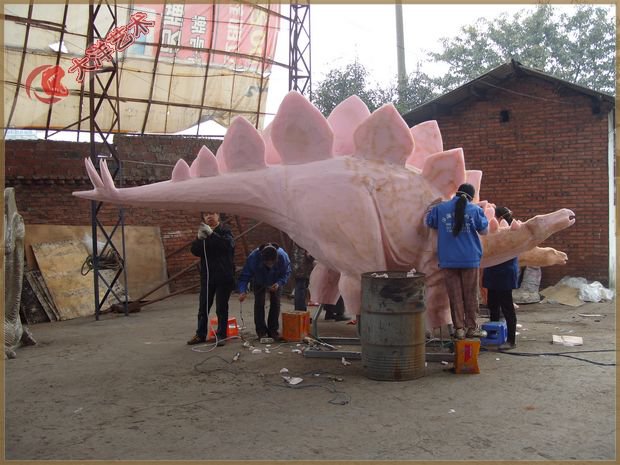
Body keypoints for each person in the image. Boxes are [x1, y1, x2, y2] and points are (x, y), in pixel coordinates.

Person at [426, 183, 489, 340]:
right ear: (471, 197)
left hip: (448, 259)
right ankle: (471, 328)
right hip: (470, 258)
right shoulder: (474, 210)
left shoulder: (441, 208)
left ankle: (459, 329)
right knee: (470, 294)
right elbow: (484, 231)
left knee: (454, 295)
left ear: (457, 193)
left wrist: (430, 208)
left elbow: (429, 223)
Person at [187, 212, 235, 346]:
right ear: (203, 217)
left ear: (218, 215)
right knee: (203, 307)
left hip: (224, 276)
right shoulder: (203, 232)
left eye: (212, 213)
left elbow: (227, 246)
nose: (209, 217)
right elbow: (195, 251)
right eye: (206, 214)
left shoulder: (225, 231)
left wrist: (212, 234)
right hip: (207, 276)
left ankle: (221, 335)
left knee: (221, 308)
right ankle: (200, 334)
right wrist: (198, 239)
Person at [238, 243, 291, 341]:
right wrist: (242, 291)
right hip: (259, 281)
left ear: (276, 259)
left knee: (276, 303)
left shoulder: (283, 257)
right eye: (267, 263)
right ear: (262, 259)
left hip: (276, 281)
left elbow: (286, 273)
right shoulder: (253, 258)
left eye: (272, 263)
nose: (270, 266)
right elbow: (245, 276)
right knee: (259, 303)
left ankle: (273, 331)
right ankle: (261, 332)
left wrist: (279, 283)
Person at [482, 206, 519, 350]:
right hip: (494, 273)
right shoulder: (496, 231)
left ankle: (511, 340)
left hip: (504, 273)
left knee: (506, 307)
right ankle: (494, 335)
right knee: (493, 306)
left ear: (499, 218)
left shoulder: (511, 232)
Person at [291, 244, 314, 311]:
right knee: (301, 289)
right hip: (303, 268)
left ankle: (299, 309)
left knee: (299, 288)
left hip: (296, 266)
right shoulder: (306, 242)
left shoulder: (298, 240)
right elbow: (310, 256)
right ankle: (300, 309)